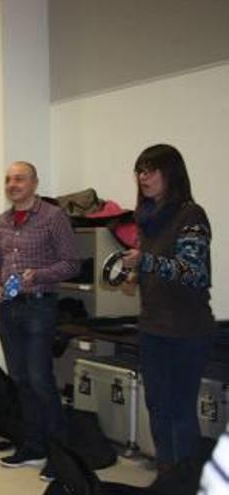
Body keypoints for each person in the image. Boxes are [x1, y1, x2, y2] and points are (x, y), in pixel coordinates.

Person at [121, 144, 214, 494]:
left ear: (171, 172)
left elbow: (194, 272)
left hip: (187, 330)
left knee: (180, 410)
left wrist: (143, 263)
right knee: (157, 406)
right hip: (153, 326)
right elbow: (154, 268)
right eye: (140, 171)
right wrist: (132, 275)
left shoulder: (192, 215)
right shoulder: (147, 217)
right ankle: (167, 473)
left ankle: (186, 482)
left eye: (151, 170)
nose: (143, 177)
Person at [0, 161, 79, 482]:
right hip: (8, 309)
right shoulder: (2, 220)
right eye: (9, 180)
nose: (13, 184)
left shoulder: (54, 217)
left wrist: (38, 275)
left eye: (20, 179)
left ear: (35, 183)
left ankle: (59, 455)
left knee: (41, 380)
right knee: (20, 379)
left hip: (39, 307)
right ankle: (33, 445)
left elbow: (71, 263)